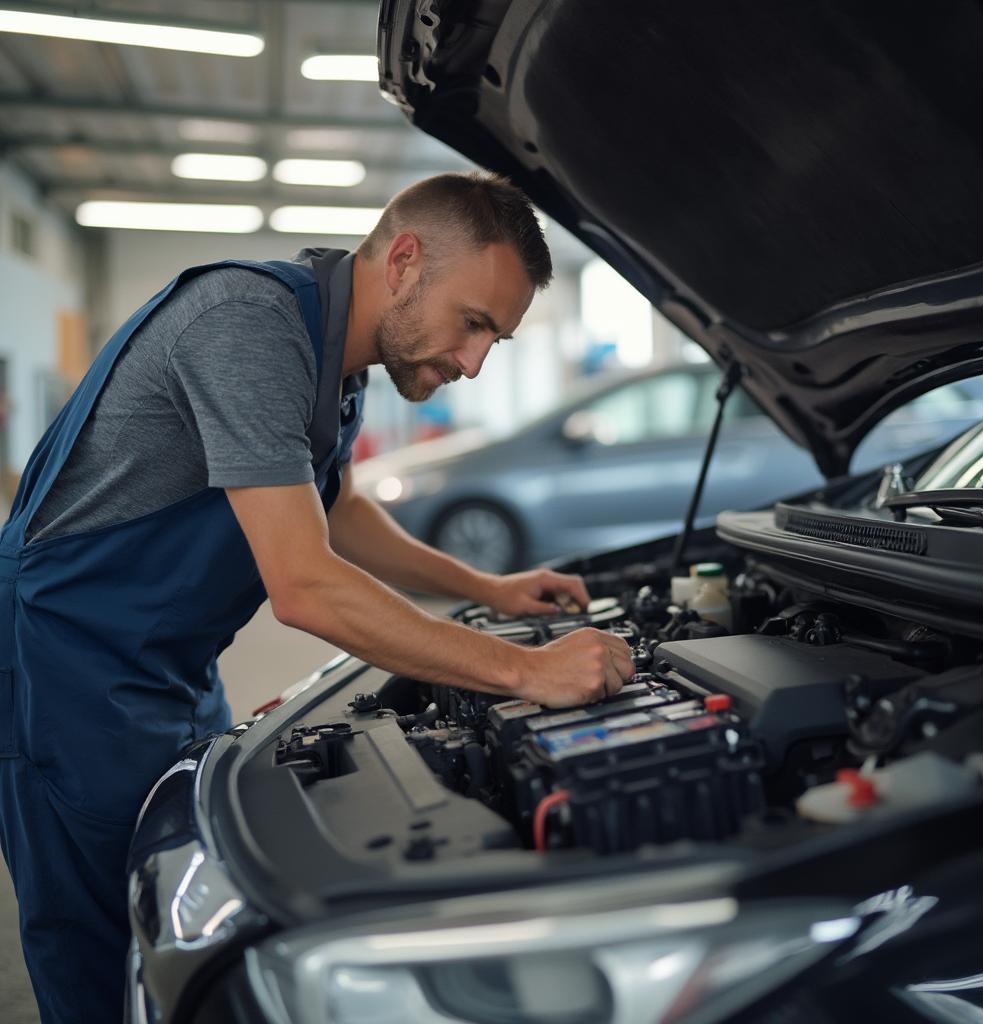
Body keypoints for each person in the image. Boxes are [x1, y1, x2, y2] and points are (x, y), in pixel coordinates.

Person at [0, 171, 634, 1022]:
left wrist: (489, 588)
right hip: (67, 668)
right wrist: (526, 672)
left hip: (170, 663)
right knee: (107, 953)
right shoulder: (248, 325)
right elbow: (303, 586)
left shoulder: (345, 351)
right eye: (474, 323)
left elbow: (334, 505)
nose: (475, 362)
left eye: (498, 341)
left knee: (188, 920)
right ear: (404, 261)